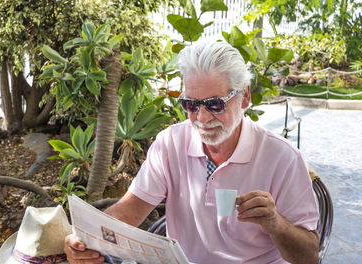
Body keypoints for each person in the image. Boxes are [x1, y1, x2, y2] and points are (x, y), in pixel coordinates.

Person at [64, 41, 320, 264]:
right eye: (190, 104)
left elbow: (309, 256)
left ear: (244, 97)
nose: (202, 117)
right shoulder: (170, 143)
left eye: (215, 104)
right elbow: (129, 211)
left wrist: (275, 223)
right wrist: (85, 238)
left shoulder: (282, 158)